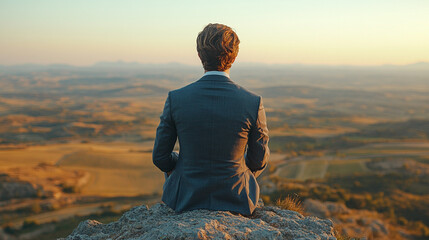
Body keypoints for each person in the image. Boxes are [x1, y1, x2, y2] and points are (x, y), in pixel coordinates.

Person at [152, 23, 269, 215]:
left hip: (185, 198)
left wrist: (182, 164)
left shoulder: (176, 99)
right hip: (237, 198)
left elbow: (160, 158)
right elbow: (258, 160)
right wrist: (236, 170)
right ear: (235, 56)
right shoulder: (253, 102)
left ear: (199, 55)